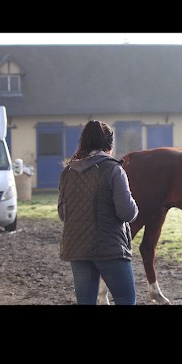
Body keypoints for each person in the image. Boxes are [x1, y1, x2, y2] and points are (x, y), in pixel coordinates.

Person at [57, 120, 139, 305]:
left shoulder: (68, 172)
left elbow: (64, 214)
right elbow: (127, 213)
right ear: (109, 144)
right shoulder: (113, 169)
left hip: (77, 247)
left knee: (86, 302)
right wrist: (134, 204)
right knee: (126, 299)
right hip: (109, 248)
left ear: (83, 142)